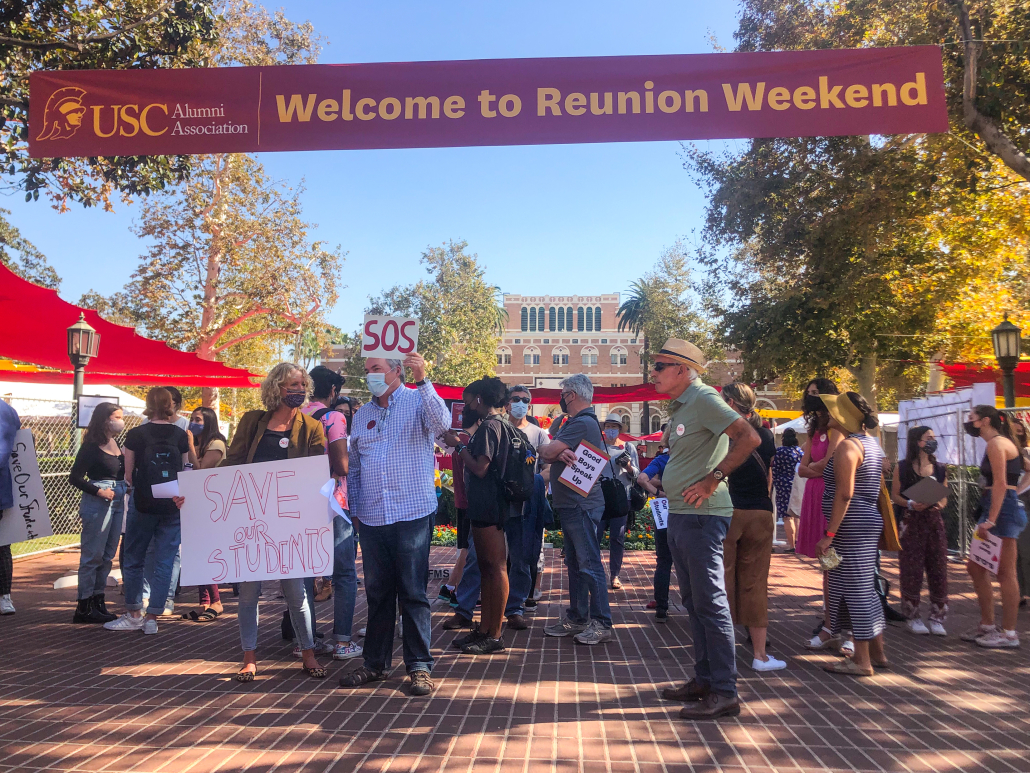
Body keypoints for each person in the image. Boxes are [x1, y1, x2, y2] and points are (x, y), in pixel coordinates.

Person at [196, 363, 329, 680]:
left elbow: (318, 470)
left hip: (290, 522)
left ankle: (308, 653)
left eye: (302, 384)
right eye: (292, 384)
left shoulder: (311, 427)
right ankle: (249, 657)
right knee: (249, 595)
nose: (298, 389)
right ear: (276, 388)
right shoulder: (253, 421)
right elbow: (234, 462)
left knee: (297, 594)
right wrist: (201, 491)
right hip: (252, 521)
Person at [649, 339, 759, 720]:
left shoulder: (705, 398)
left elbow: (750, 437)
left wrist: (714, 479)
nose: (654, 372)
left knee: (710, 603)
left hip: (702, 514)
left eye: (660, 366)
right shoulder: (684, 405)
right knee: (695, 603)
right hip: (683, 514)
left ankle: (725, 691)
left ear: (682, 369)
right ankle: (705, 680)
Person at [340, 353, 449, 696]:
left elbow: (443, 425)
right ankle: (375, 664)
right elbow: (354, 467)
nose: (370, 375)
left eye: (376, 370)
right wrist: (355, 511)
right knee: (377, 594)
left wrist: (424, 378)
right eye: (368, 371)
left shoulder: (418, 400)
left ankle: (419, 666)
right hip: (373, 517)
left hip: (412, 512)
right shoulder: (363, 416)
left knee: (413, 593)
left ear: (396, 372)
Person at [441, 378, 520, 654]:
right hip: (489, 506)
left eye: (467, 399)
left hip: (490, 506)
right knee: (487, 567)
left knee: (495, 567)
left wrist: (458, 446)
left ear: (478, 400)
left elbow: (480, 468)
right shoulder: (501, 425)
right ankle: (485, 628)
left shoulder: (490, 427)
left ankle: (494, 634)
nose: (465, 406)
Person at [104, 388, 190, 636]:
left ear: (148, 405)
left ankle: (133, 613)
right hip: (173, 502)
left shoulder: (136, 435)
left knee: (134, 558)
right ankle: (153, 616)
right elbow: (185, 469)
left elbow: (128, 474)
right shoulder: (180, 434)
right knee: (165, 559)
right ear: (171, 405)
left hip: (143, 502)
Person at [814, 392, 889, 677]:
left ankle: (861, 660)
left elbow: (845, 494)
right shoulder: (872, 444)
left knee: (855, 590)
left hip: (850, 525)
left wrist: (829, 534)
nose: (827, 415)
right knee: (865, 587)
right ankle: (877, 653)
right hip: (865, 521)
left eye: (832, 411)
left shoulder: (847, 447)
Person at [538, 374, 614, 646]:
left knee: (588, 564)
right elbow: (553, 452)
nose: (562, 400)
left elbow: (546, 452)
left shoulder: (580, 423)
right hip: (575, 504)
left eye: (563, 395)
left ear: (571, 395)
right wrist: (556, 452)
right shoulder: (584, 423)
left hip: (580, 505)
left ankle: (601, 622)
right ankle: (578, 617)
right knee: (577, 565)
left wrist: (552, 450)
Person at [720, 383, 786, 672]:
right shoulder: (767, 435)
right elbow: (769, 474)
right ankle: (759, 654)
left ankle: (724, 650)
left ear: (731, 403)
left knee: (722, 579)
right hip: (760, 511)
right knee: (756, 583)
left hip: (729, 510)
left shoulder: (726, 434)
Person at [304, 365, 361, 662]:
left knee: (304, 572)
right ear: (333, 391)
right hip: (334, 500)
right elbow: (341, 466)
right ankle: (342, 642)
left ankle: (307, 640)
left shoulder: (296, 416)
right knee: (344, 573)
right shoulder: (334, 417)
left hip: (301, 501)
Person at [962, 406, 1029, 648]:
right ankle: (988, 624)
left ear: (985, 420)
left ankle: (1009, 633)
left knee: (1005, 572)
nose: (968, 422)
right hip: (1001, 506)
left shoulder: (997, 444)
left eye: (972, 418)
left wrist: (991, 518)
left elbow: (1000, 483)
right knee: (976, 567)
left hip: (1001, 510)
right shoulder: (1004, 443)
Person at [69, 402, 126, 624]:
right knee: (92, 555)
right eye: (116, 417)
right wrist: (98, 490)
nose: (120, 421)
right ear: (104, 419)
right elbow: (74, 477)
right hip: (99, 501)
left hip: (118, 498)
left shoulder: (115, 442)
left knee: (107, 554)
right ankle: (83, 605)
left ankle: (98, 600)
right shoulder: (91, 446)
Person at [891, 426, 949, 636]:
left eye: (934, 437)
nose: (933, 441)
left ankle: (937, 616)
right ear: (918, 441)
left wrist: (937, 503)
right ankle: (912, 614)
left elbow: (944, 496)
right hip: (911, 521)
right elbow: (895, 495)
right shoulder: (903, 467)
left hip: (934, 521)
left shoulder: (940, 467)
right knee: (911, 569)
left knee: (938, 568)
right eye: (928, 437)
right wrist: (910, 503)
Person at [506, 386, 551, 612]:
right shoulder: (499, 429)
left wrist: (531, 485)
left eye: (525, 400)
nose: (520, 403)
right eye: (516, 399)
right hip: (502, 503)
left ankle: (523, 598)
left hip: (528, 504)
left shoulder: (538, 433)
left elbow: (548, 467)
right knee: (502, 554)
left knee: (528, 552)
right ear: (507, 403)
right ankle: (501, 597)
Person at [181, 406, 227, 622]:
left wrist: (190, 445)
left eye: (198, 419)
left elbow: (200, 470)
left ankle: (216, 601)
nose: (193, 422)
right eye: (191, 418)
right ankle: (204, 601)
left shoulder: (216, 444)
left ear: (208, 422)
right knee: (196, 552)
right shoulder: (198, 444)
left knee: (207, 552)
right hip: (193, 502)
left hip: (211, 503)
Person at [599, 413, 639, 591]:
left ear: (620, 430)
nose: (611, 430)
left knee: (617, 538)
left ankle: (615, 575)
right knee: (595, 536)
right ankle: (596, 573)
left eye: (614, 427)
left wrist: (628, 466)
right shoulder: (597, 446)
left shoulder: (628, 448)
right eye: (608, 426)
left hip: (621, 499)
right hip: (599, 498)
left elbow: (637, 474)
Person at [637, 431, 672, 622]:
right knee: (691, 564)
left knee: (664, 561)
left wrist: (659, 492)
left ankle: (662, 606)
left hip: (665, 512)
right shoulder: (692, 460)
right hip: (687, 512)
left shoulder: (662, 460)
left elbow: (642, 479)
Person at [0, 400, 22, 616]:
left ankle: (5, 596)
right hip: (3, 488)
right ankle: (4, 596)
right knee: (3, 544)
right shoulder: (7, 410)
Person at [772, 428, 804, 552]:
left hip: (782, 485)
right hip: (797, 484)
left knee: (787, 516)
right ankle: (798, 542)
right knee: (797, 514)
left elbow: (775, 469)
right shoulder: (799, 451)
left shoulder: (779, 452)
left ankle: (791, 545)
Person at [1012, 418, 1030, 607]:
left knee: (1025, 551)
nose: (1018, 436)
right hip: (1007, 508)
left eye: (1020, 432)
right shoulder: (1000, 451)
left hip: (1025, 506)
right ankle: (1018, 593)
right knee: (1012, 554)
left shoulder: (1027, 453)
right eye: (1014, 432)